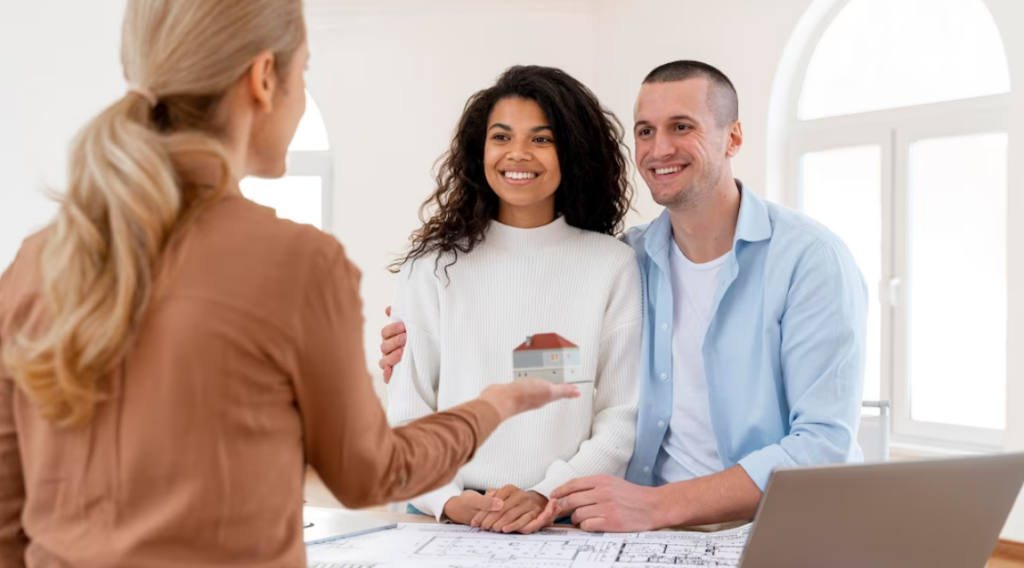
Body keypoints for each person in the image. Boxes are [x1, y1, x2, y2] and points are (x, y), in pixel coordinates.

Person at [0, 1, 579, 566]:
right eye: (304, 72)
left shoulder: (38, 257)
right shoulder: (301, 261)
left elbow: (7, 505)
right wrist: (490, 407)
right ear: (264, 77)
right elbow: (370, 474)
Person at [379, 60, 868, 532]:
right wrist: (449, 494)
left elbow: (822, 444)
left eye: (682, 126)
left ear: (733, 137)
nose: (660, 149)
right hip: (615, 524)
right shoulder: (638, 256)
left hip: (750, 525)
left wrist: (605, 500)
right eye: (646, 131)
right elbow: (432, 400)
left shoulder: (806, 260)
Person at [385, 65, 642, 535]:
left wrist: (547, 493)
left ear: (573, 152)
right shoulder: (433, 267)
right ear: (479, 150)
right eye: (501, 137)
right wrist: (452, 501)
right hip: (443, 518)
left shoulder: (612, 265)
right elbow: (407, 414)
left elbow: (621, 414)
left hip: (564, 517)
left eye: (542, 139)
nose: (518, 153)